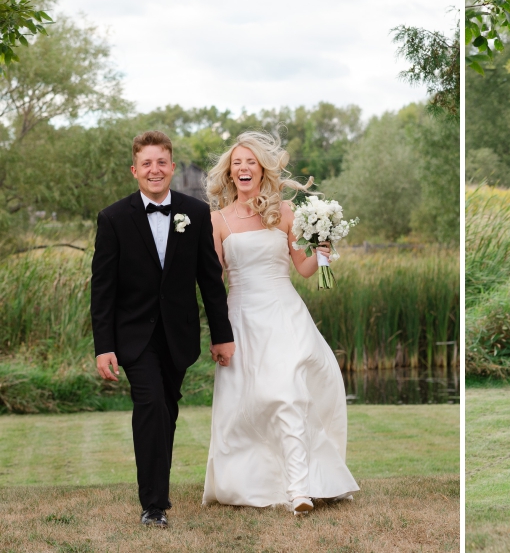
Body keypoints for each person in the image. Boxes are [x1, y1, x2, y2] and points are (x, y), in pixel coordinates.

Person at [200, 130, 358, 513]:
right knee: (249, 402)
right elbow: (213, 280)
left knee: (288, 393)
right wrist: (217, 332)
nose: (243, 168)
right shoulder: (217, 220)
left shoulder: (284, 213)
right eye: (237, 163)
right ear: (229, 173)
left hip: (284, 314)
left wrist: (323, 251)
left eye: (250, 162)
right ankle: (252, 481)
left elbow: (303, 270)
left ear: (261, 169)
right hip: (242, 318)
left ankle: (300, 490)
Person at [91, 130, 234, 528]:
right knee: (151, 406)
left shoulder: (196, 212)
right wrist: (104, 347)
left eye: (161, 162)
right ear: (134, 170)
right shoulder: (113, 218)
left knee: (166, 412)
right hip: (133, 337)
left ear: (172, 167)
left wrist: (222, 335)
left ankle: (156, 488)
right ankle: (154, 505)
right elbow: (102, 291)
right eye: (146, 163)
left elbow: (209, 280)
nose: (154, 170)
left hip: (179, 336)